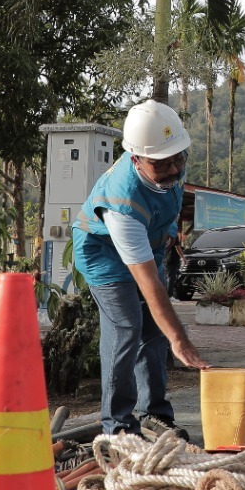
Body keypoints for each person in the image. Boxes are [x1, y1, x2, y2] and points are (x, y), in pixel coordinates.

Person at [73, 99, 210, 438]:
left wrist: (168, 235)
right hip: (102, 252)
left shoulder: (173, 159)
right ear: (136, 159)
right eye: (161, 164)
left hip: (149, 245)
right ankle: (116, 425)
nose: (174, 169)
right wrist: (180, 338)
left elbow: (167, 202)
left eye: (178, 159)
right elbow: (149, 284)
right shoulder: (121, 201)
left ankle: (154, 414)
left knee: (153, 331)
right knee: (126, 328)